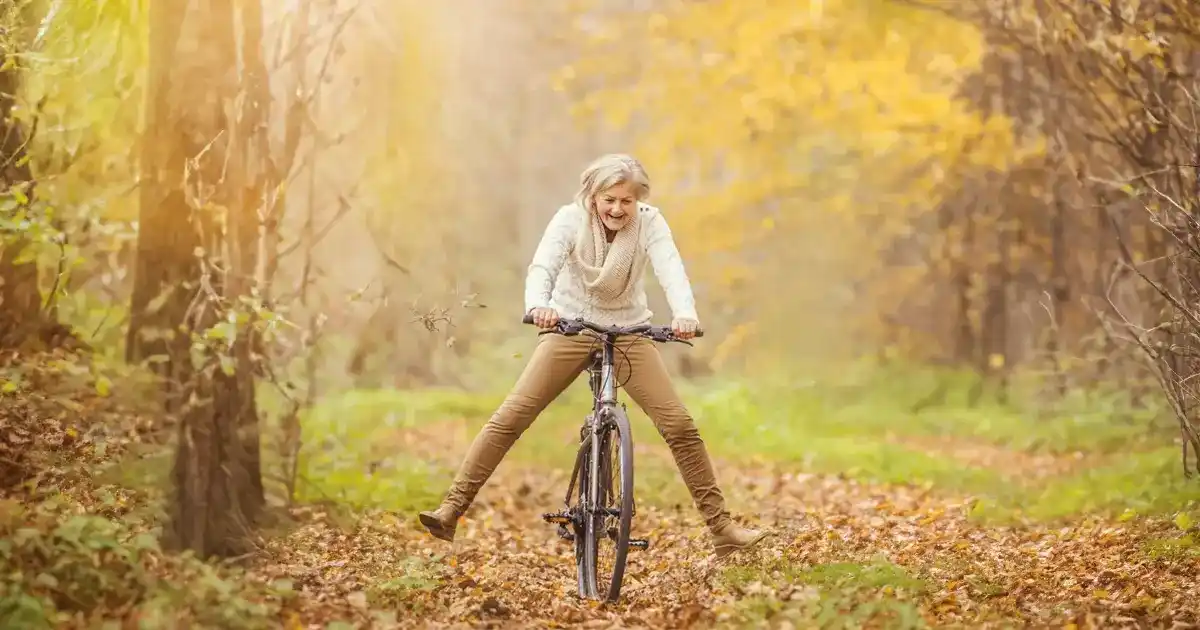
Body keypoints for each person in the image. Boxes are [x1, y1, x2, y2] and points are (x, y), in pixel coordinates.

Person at [418, 153, 768, 558]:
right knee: (512, 416)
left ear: (638, 201)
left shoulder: (651, 223)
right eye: (609, 200)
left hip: (629, 330)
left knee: (679, 425)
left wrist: (685, 314)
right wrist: (539, 306)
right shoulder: (568, 219)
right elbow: (542, 267)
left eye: (627, 201)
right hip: (570, 326)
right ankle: (450, 511)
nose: (618, 209)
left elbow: (671, 269)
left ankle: (722, 530)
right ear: (592, 196)